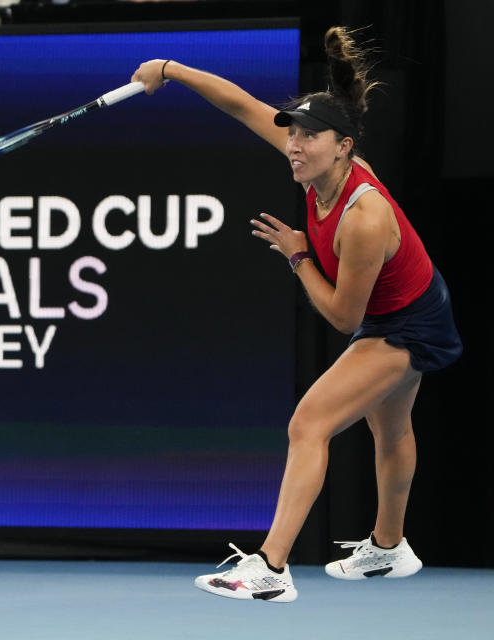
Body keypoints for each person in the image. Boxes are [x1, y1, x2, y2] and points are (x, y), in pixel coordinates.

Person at [131, 26, 462, 603]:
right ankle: (389, 548)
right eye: (292, 134)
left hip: (410, 320)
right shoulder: (313, 165)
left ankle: (270, 568)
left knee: (309, 424)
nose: (295, 145)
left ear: (344, 146)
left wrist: (299, 256)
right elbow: (240, 105)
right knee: (389, 427)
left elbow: (340, 316)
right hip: (411, 302)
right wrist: (170, 68)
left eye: (310, 136)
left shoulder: (363, 219)